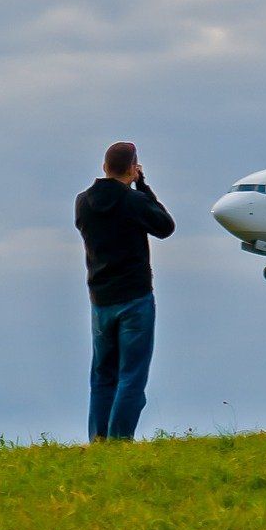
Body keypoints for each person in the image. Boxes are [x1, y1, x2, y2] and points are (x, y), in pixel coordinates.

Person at [74, 141, 176, 441]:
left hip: (100, 299)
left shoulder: (82, 201)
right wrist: (142, 187)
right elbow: (165, 226)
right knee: (131, 374)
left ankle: (98, 438)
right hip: (134, 297)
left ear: (104, 167)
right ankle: (119, 439)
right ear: (133, 168)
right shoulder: (132, 202)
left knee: (102, 375)